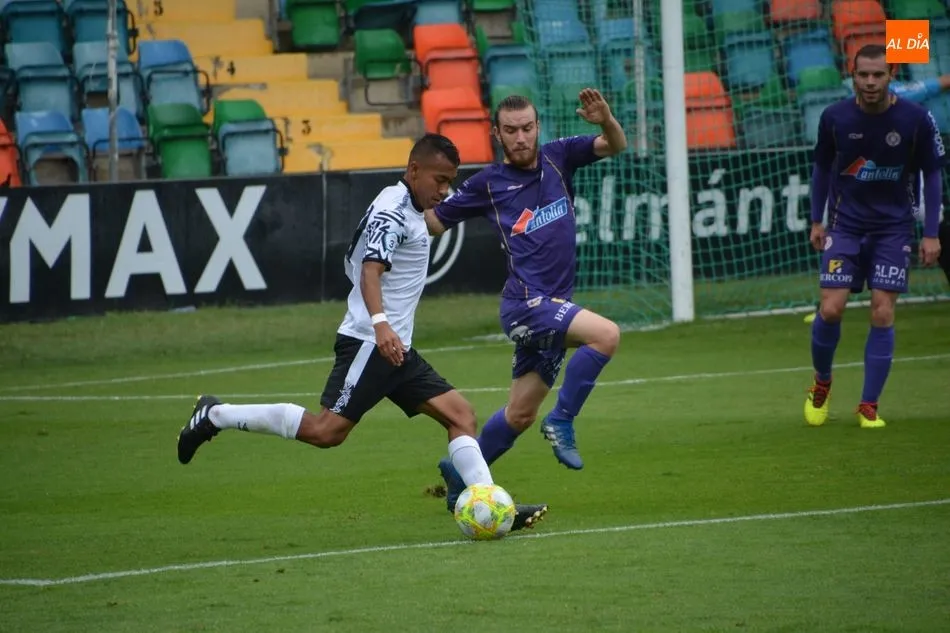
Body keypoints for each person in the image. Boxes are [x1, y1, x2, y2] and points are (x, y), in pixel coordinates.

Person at [176, 134, 548, 532]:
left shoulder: (406, 203)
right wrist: (381, 324)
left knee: (461, 416)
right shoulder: (392, 211)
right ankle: (216, 414)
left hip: (396, 349)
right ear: (413, 170)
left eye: (450, 181)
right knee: (327, 431)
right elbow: (371, 271)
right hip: (371, 343)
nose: (445, 190)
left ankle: (485, 505)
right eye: (439, 180)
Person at [423, 89, 628, 511]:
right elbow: (435, 223)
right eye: (512, 130)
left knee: (518, 415)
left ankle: (461, 473)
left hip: (552, 305)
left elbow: (616, 145)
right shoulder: (488, 183)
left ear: (538, 128)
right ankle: (563, 420)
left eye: (528, 128)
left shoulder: (560, 156)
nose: (521, 137)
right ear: (497, 133)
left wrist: (606, 119)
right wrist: (399, 204)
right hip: (524, 306)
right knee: (606, 335)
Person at [805, 44, 945, 428]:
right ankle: (822, 381)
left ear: (891, 74)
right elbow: (820, 169)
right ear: (852, 74)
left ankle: (869, 405)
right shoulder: (834, 116)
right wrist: (817, 220)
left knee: (882, 310)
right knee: (831, 309)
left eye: (878, 74)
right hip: (845, 226)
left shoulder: (917, 119)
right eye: (863, 74)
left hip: (893, 229)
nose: (869, 81)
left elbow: (933, 175)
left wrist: (930, 233)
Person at [803, 72, 950, 325]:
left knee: (936, 225)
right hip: (866, 186)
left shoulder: (905, 104)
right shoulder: (866, 100)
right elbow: (937, 82)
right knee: (847, 229)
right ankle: (832, 296)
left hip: (906, 180)